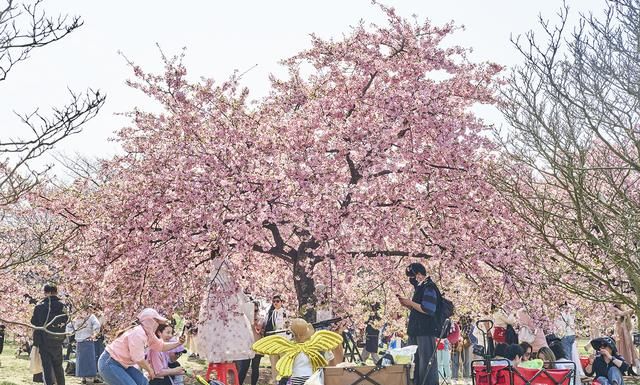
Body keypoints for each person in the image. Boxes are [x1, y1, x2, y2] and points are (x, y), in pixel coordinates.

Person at [97, 308, 185, 385]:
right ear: (150, 321)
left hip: (124, 365)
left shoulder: (148, 334)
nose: (158, 324)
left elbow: (160, 346)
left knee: (143, 382)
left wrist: (178, 343)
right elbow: (138, 358)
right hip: (110, 363)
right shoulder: (138, 333)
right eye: (156, 321)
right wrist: (150, 370)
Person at [397, 262, 440, 385]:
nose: (411, 280)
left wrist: (410, 303)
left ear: (419, 274)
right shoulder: (421, 287)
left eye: (412, 276)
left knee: (426, 362)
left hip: (425, 331)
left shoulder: (429, 287)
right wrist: (407, 305)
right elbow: (419, 309)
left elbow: (428, 309)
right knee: (415, 361)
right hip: (415, 330)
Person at [31, 283, 69, 385]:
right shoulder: (63, 306)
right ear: (56, 292)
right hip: (58, 339)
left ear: (46, 292)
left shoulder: (40, 306)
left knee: (47, 367)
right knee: (58, 366)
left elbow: (34, 322)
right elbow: (66, 320)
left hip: (44, 340)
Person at [67, 306, 102, 384]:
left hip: (87, 340)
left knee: (88, 359)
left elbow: (97, 325)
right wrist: (72, 332)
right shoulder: (77, 318)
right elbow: (69, 326)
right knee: (83, 360)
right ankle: (85, 378)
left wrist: (94, 334)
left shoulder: (90, 316)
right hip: (81, 341)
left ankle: (90, 377)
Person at [264, 294, 289, 385]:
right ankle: (275, 381)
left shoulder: (286, 312)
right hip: (273, 341)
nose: (275, 303)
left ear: (281, 302)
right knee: (274, 362)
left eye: (277, 301)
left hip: (283, 341)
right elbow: (267, 326)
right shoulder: (270, 313)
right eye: (274, 301)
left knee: (283, 361)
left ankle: (284, 381)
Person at [613, 304, 638, 375]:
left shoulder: (624, 315)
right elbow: (619, 315)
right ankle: (622, 369)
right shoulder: (616, 312)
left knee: (629, 351)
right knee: (621, 352)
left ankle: (630, 369)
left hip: (626, 336)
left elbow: (629, 327)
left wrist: (627, 316)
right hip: (620, 336)